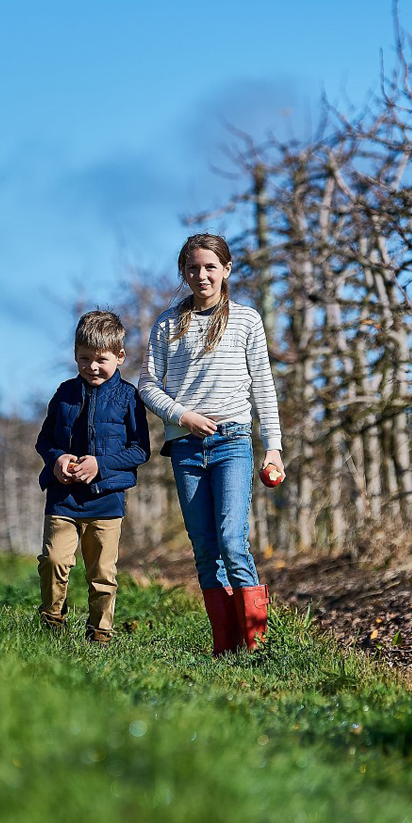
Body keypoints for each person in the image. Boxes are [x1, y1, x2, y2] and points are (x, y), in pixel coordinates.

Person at [138, 234, 284, 655]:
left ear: (226, 269)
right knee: (204, 547)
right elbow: (148, 384)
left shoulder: (246, 320)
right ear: (183, 273)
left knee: (231, 539)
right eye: (192, 268)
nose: (201, 275)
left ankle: (257, 645)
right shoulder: (166, 324)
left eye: (209, 267)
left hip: (233, 441)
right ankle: (227, 647)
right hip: (185, 447)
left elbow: (264, 388)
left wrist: (272, 447)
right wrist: (181, 416)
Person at [34, 310, 150, 644]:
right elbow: (45, 441)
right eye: (84, 358)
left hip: (107, 502)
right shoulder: (64, 393)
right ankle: (51, 622)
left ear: (120, 356)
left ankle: (100, 633)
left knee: (102, 573)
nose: (92, 367)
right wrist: (58, 460)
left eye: (101, 359)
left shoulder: (129, 398)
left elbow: (140, 450)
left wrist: (100, 464)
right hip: (63, 499)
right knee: (54, 560)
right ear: (75, 355)